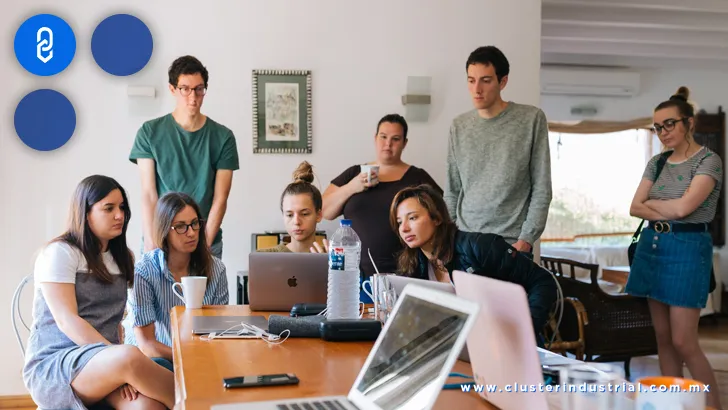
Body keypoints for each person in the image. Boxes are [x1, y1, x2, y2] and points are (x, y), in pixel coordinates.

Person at [23, 175, 174, 410]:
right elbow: (67, 320)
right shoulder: (61, 253)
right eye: (109, 208)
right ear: (85, 212)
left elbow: (115, 322)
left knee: (147, 407)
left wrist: (115, 365)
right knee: (130, 356)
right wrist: (117, 359)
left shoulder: (123, 258)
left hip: (107, 362)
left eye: (122, 207)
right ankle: (204, 403)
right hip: (57, 366)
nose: (120, 215)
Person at [627, 87, 722, 409]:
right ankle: (674, 405)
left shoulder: (709, 161)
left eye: (669, 124)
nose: (663, 132)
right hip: (653, 247)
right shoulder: (657, 162)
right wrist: (662, 206)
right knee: (664, 340)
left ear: (689, 123)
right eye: (657, 127)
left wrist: (654, 203)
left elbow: (684, 210)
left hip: (687, 250)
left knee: (684, 341)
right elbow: (634, 207)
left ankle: (711, 407)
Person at [390, 184, 557, 344]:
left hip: (507, 345)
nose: (403, 228)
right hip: (462, 346)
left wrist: (524, 331)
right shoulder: (414, 266)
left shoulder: (480, 246)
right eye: (399, 222)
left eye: (412, 218)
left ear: (436, 218)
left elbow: (542, 281)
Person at [445, 45, 552, 257]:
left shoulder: (530, 119)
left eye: (486, 80)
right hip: (465, 242)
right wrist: (449, 237)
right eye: (471, 80)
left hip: (511, 245)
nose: (477, 89)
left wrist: (526, 239)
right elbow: (452, 189)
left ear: (503, 82)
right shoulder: (459, 125)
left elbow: (542, 187)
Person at [129, 55, 240, 259]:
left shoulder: (223, 137)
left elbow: (220, 198)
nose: (193, 96)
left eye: (199, 89)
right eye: (185, 89)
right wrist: (152, 243)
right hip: (161, 240)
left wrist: (203, 247)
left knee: (205, 292)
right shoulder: (149, 132)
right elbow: (148, 194)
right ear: (173, 89)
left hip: (206, 240)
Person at [322, 114, 442, 278]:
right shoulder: (354, 173)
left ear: (404, 143)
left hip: (408, 272)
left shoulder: (418, 177)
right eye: (383, 137)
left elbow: (442, 216)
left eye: (396, 139)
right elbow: (324, 210)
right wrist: (352, 187)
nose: (388, 144)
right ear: (375, 138)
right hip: (354, 275)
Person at [123, 192, 229, 372]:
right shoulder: (144, 271)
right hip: (156, 359)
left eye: (195, 224)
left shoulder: (217, 268)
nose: (191, 233)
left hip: (200, 356)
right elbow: (147, 345)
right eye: (180, 227)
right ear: (164, 230)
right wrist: (188, 357)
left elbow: (219, 332)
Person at [259, 161, 329, 253]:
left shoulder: (330, 258)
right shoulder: (264, 257)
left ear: (319, 215)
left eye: (304, 214)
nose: (296, 222)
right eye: (289, 215)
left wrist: (328, 266)